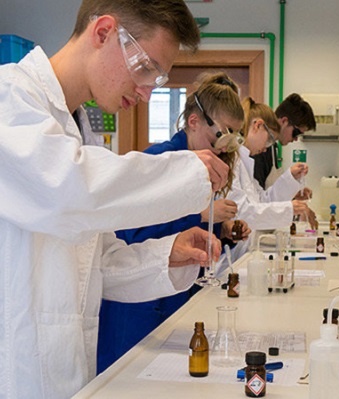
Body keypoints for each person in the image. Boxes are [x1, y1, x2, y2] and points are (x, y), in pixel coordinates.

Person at [0, 1, 230, 398]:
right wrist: (187, 173)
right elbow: (68, 193)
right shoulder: (10, 98)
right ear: (103, 32)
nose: (144, 92)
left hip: (65, 375)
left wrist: (166, 254)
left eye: (156, 79)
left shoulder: (75, 127)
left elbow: (96, 263)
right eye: (145, 68)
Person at [97, 72, 251, 373]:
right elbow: (131, 234)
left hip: (172, 299)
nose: (221, 149)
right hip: (138, 309)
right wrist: (202, 215)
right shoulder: (158, 161)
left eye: (230, 143)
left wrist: (222, 230)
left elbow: (180, 231)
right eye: (218, 138)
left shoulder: (197, 166)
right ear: (193, 122)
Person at [227, 97, 317, 232]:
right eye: (269, 140)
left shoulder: (245, 163)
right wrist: (289, 209)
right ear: (257, 126)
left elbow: (263, 200)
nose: (265, 149)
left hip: (250, 242)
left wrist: (290, 179)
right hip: (235, 248)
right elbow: (242, 213)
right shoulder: (233, 163)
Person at [252, 93, 317, 190]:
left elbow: (270, 192)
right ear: (284, 121)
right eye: (296, 133)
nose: (295, 139)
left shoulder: (273, 147)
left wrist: (292, 194)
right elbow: (259, 198)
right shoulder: (259, 149)